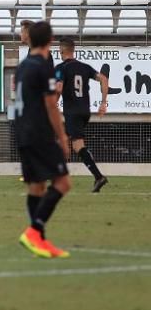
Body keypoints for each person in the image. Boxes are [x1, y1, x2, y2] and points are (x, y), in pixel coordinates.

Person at [14, 20, 72, 259]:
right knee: (63, 183)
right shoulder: (44, 65)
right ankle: (34, 231)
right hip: (39, 132)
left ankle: (40, 241)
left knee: (36, 187)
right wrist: (62, 136)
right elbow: (50, 105)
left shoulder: (23, 65)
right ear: (50, 41)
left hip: (22, 131)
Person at [53, 37, 110, 193]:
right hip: (85, 111)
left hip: (73, 112)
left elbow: (58, 88)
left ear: (62, 51)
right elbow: (103, 79)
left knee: (78, 146)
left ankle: (98, 177)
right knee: (62, 140)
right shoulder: (85, 67)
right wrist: (104, 102)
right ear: (73, 50)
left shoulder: (60, 68)